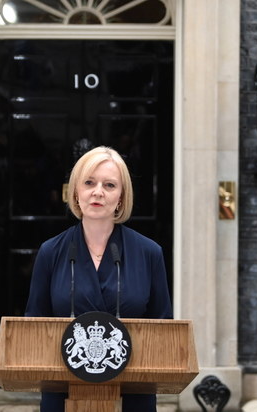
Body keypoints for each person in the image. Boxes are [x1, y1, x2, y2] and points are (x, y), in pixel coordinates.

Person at [24, 146, 172, 412]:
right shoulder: (51, 252)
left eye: (110, 185)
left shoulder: (149, 253)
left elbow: (163, 332)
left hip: (132, 396)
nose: (98, 192)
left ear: (121, 197)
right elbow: (34, 329)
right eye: (89, 182)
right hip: (63, 393)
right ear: (76, 192)